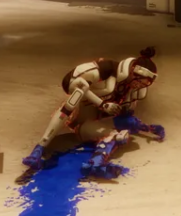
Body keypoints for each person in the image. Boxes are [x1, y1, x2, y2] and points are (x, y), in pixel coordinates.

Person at [17, 47, 164, 183]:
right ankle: (40, 148)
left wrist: (145, 127)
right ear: (132, 71)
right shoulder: (104, 70)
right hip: (77, 112)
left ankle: (96, 164)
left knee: (117, 136)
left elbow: (125, 117)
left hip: (90, 123)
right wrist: (102, 104)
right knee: (77, 94)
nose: (139, 86)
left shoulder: (132, 91)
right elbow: (72, 83)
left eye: (144, 84)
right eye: (140, 81)